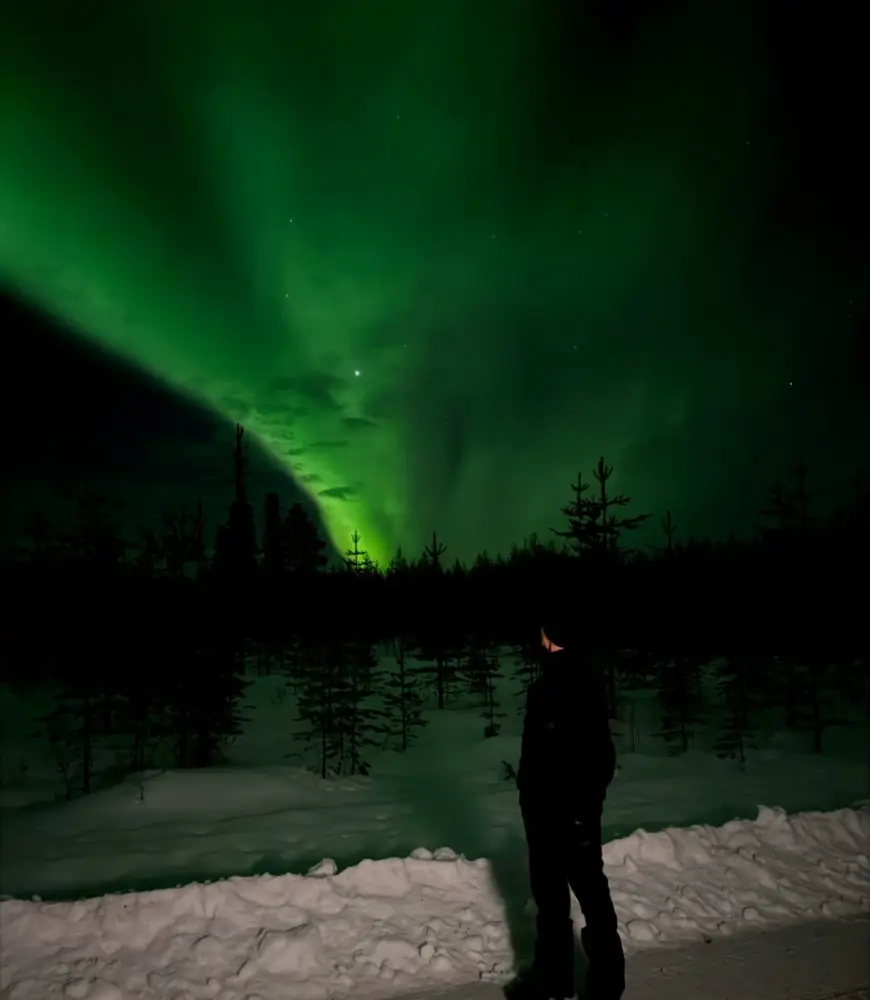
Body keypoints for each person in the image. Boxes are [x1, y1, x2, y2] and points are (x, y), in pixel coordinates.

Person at [512, 620, 624, 1000]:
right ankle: (552, 980)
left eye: (545, 636)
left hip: (573, 814)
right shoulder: (546, 686)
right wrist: (528, 794)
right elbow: (539, 754)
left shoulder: (580, 685)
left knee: (591, 892)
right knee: (550, 899)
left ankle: (606, 985)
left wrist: (583, 808)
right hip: (542, 812)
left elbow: (599, 756)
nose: (540, 641)